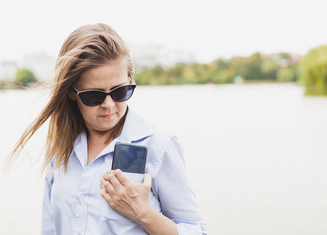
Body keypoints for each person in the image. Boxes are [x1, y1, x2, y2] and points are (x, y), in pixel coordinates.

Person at [10, 23, 206, 234]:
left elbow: (197, 230)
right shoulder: (62, 148)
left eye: (120, 91)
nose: (109, 104)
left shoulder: (157, 146)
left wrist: (144, 214)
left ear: (130, 80)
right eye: (93, 96)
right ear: (71, 93)